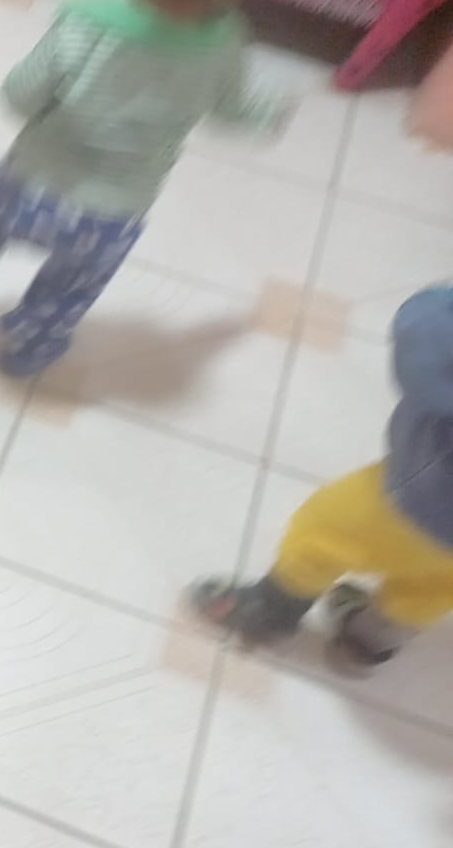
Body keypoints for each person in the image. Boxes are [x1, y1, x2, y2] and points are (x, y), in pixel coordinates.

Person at [0, 0, 290, 376]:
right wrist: (272, 111)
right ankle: (30, 349)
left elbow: (20, 94)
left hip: (28, 191)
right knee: (71, 288)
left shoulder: (87, 19)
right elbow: (232, 109)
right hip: (110, 221)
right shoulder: (224, 41)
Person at [192, 286, 453, 673]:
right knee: (436, 584)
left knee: (324, 532)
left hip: (424, 501)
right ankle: (373, 638)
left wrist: (438, 300)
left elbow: (426, 338)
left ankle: (271, 610)